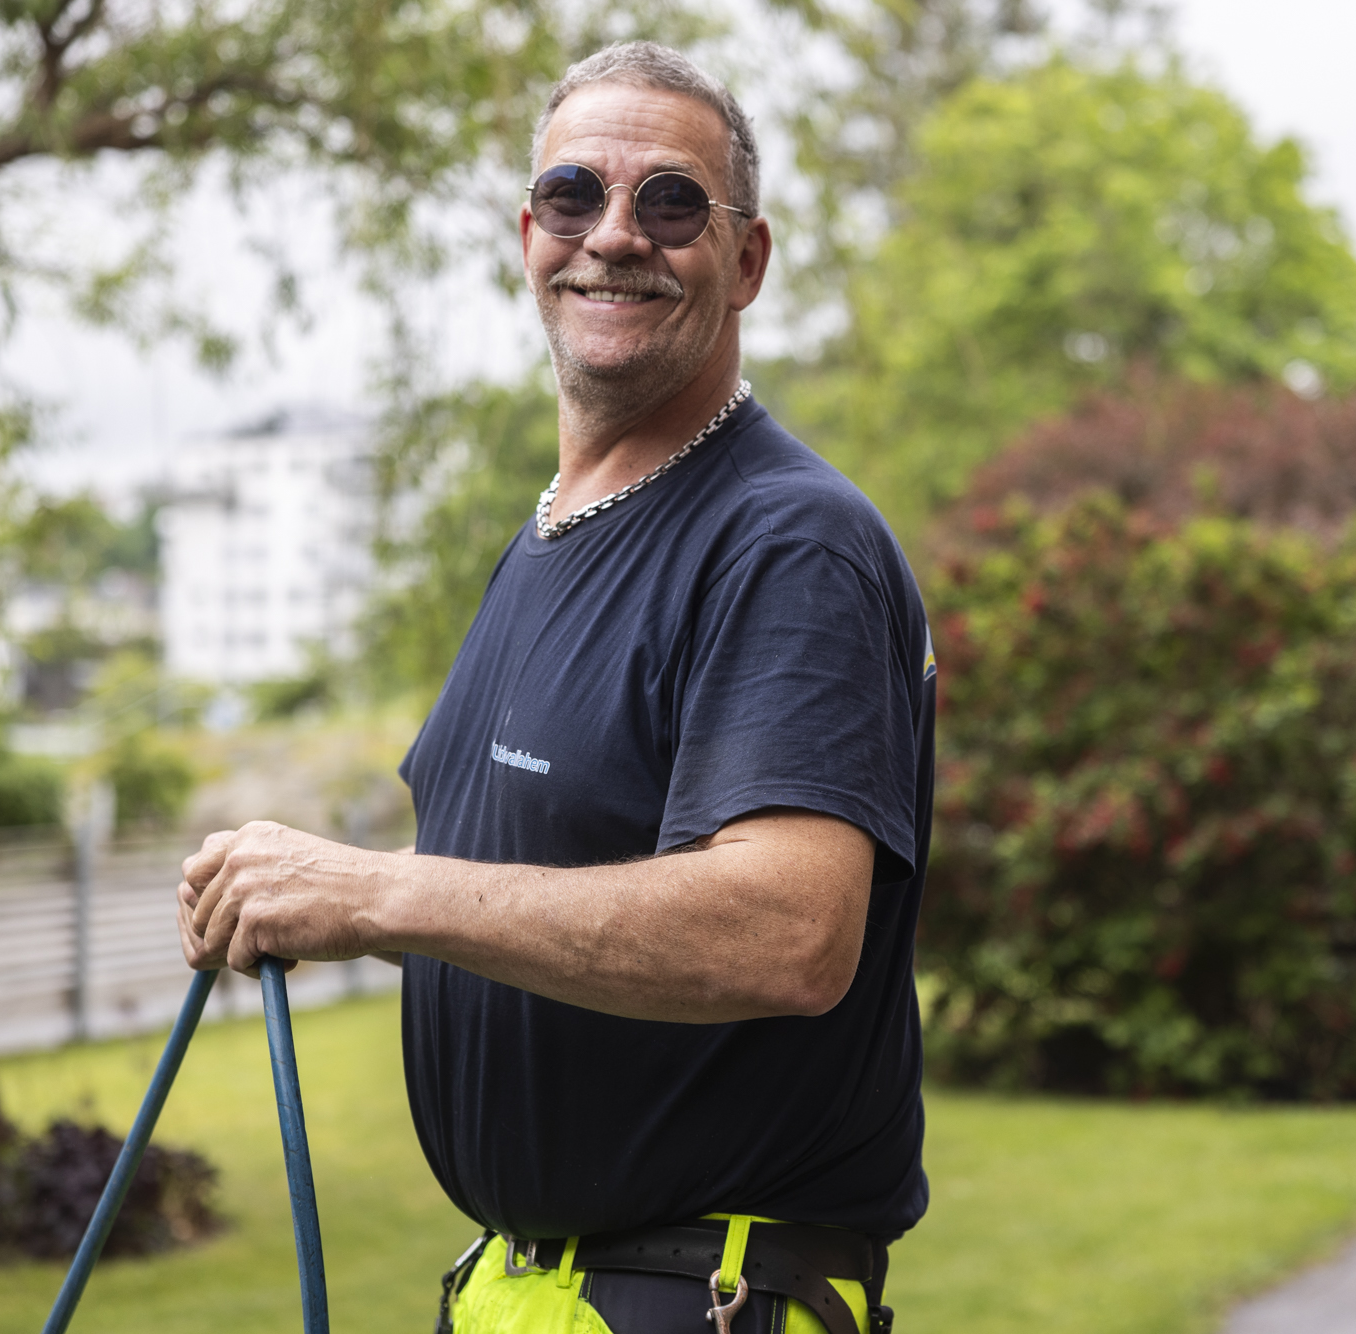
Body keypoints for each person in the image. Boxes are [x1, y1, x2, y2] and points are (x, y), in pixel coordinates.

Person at [177, 41, 934, 1334]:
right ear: (530, 234)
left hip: (709, 1295)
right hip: (536, 1286)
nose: (616, 236)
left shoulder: (787, 540)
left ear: (748, 258)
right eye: (576, 195)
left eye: (673, 202)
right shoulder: (543, 543)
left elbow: (790, 930)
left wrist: (373, 890)